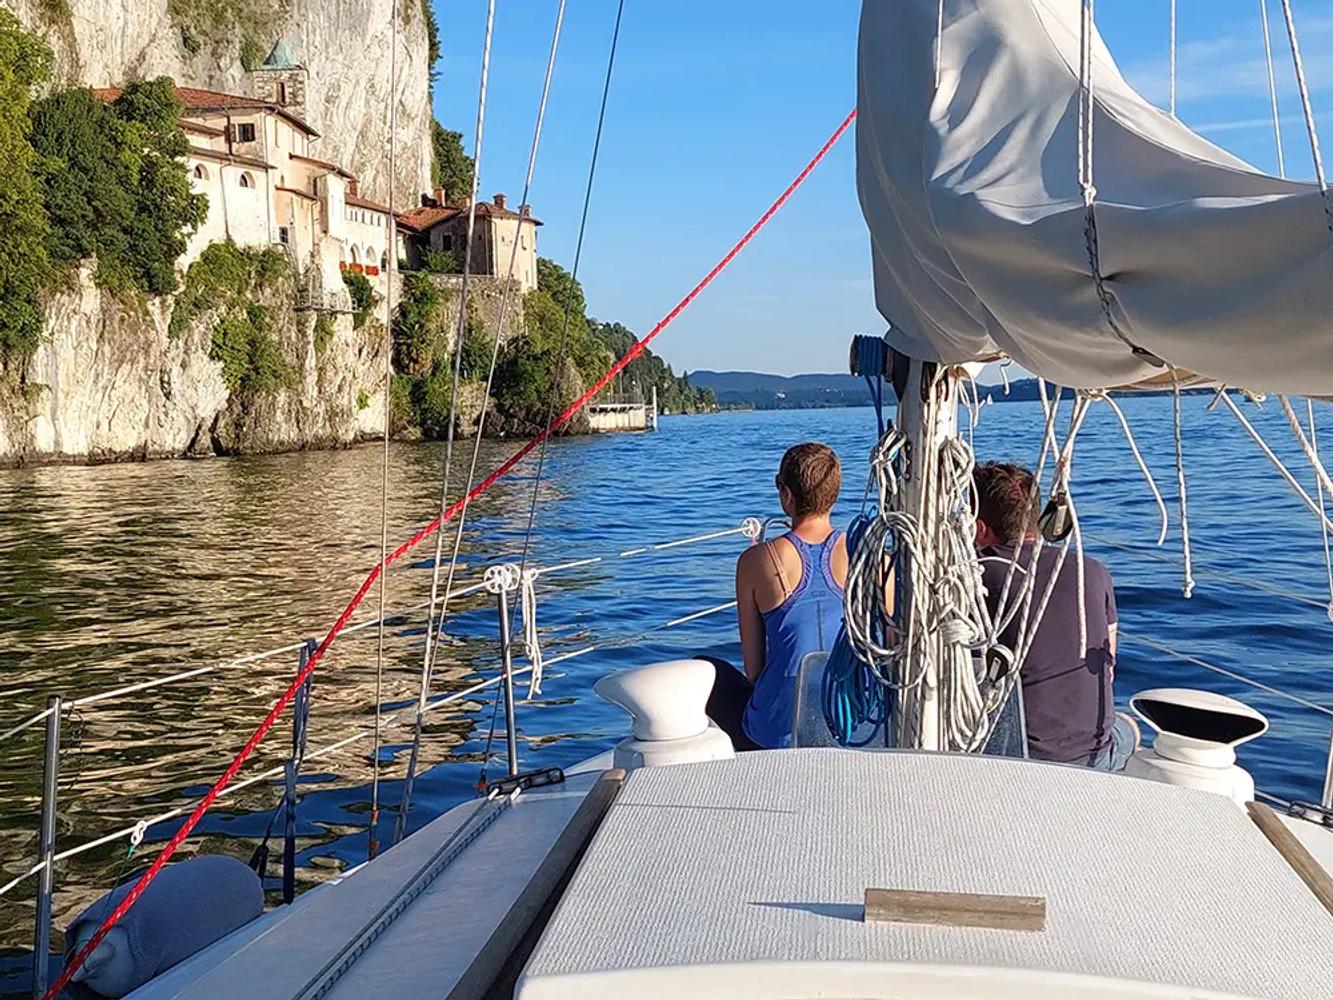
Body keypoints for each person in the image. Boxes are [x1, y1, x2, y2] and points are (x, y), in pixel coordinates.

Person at [973, 461, 1138, 770]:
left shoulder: (976, 575)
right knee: (1131, 728)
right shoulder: (1093, 572)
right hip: (1095, 754)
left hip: (1022, 759)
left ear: (979, 528)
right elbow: (1109, 666)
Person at [705, 442, 848, 750]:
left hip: (777, 734)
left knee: (706, 669)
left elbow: (754, 669)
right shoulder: (867, 555)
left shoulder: (755, 562)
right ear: (833, 495)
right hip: (852, 723)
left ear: (787, 495)